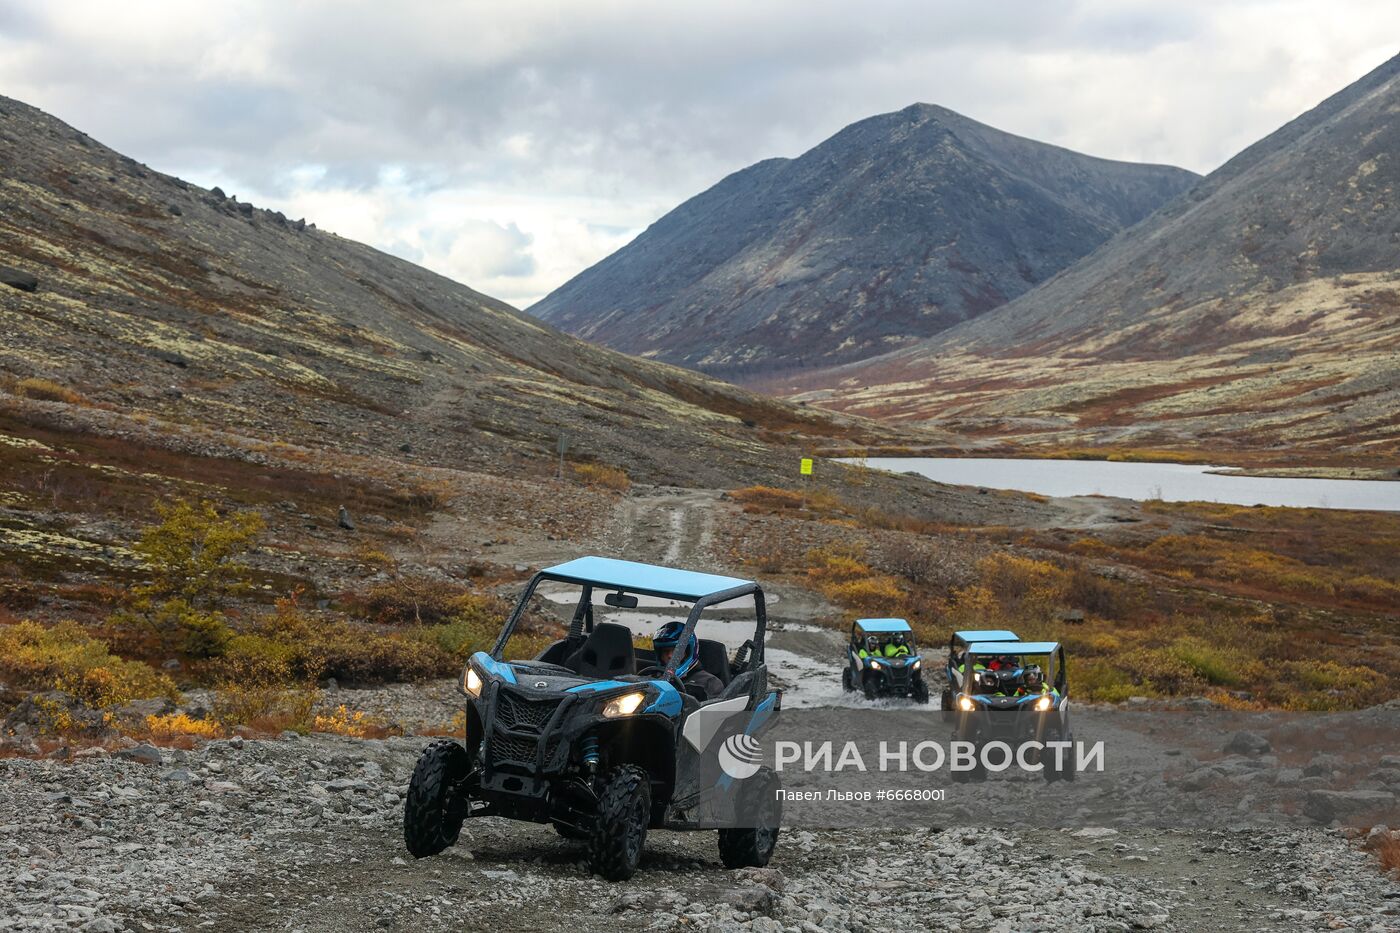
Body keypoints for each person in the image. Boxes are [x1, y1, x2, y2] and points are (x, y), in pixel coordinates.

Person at [654, 621, 722, 701]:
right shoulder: (654, 679)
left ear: (689, 651)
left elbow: (713, 712)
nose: (670, 656)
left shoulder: (709, 683)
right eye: (665, 652)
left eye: (677, 651)